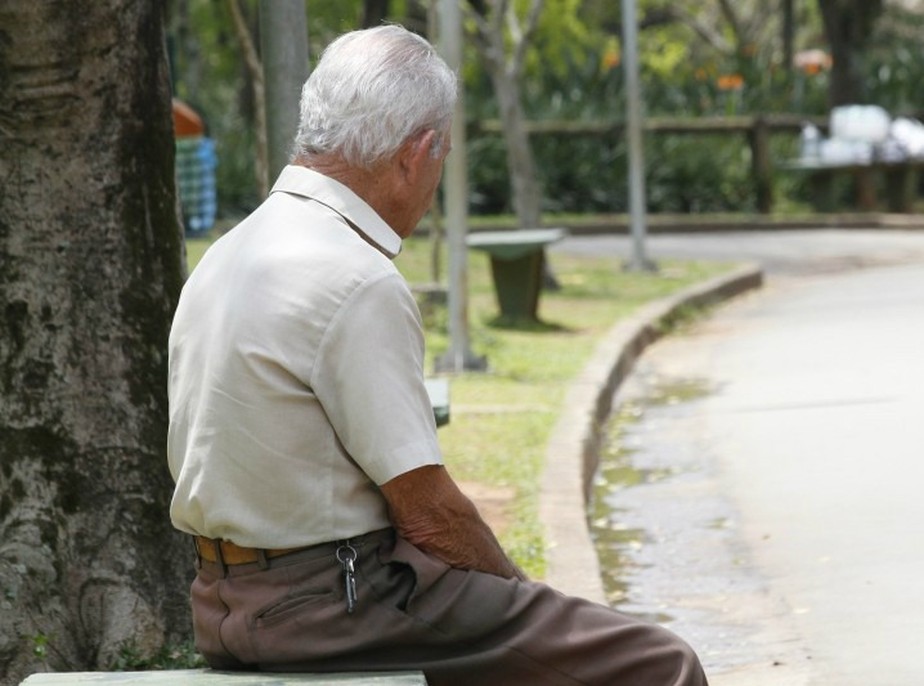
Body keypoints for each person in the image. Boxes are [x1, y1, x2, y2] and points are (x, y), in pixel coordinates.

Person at [167, 24, 708, 686]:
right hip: (333, 606)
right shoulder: (354, 276)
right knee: (660, 664)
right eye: (444, 155)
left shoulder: (229, 252)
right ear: (416, 154)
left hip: (220, 603)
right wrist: (520, 596)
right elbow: (429, 515)